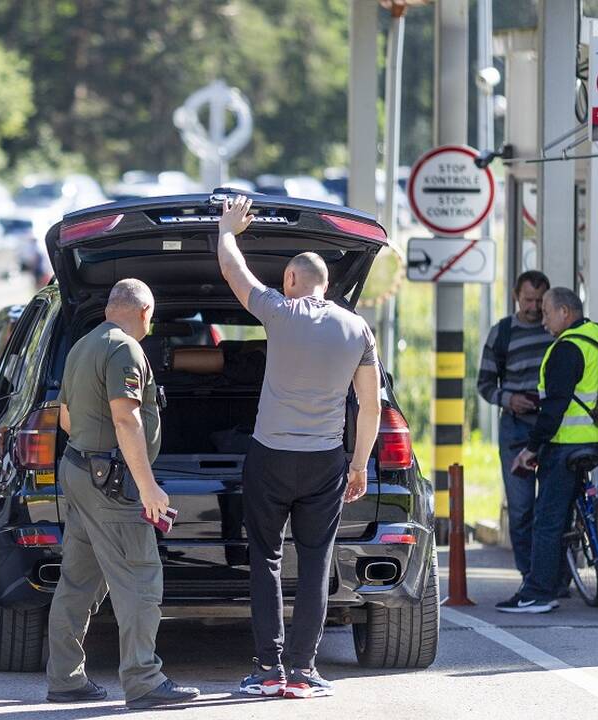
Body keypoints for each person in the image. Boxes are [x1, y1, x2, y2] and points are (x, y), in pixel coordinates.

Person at [216, 196, 382, 698]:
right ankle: (303, 672)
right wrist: (358, 466)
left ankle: (268, 670)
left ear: (290, 281)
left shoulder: (279, 312)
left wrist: (228, 229)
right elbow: (370, 408)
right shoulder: (358, 329)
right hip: (325, 462)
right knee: (315, 562)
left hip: (270, 457)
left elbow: (234, 273)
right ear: (326, 286)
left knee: (265, 558)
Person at [46, 278, 200, 710]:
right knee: (140, 577)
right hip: (111, 483)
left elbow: (66, 420)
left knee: (78, 580)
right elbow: (126, 419)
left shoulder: (82, 346)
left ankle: (66, 678)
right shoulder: (125, 349)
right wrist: (148, 486)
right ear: (145, 312)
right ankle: (144, 680)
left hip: (79, 472)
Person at [498, 287, 598, 614]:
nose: (544, 322)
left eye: (549, 314)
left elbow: (554, 409)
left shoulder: (566, 349)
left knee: (548, 519)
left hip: (567, 445)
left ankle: (539, 592)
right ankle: (562, 576)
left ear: (565, 313)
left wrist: (531, 448)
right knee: (567, 508)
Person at [477, 270, 552, 584]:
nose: (533, 307)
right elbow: (483, 383)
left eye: (539, 301)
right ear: (515, 297)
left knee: (551, 508)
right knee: (521, 509)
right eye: (527, 300)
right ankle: (529, 576)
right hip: (515, 429)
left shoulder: (556, 330)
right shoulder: (502, 332)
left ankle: (552, 576)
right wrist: (509, 399)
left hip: (552, 428)